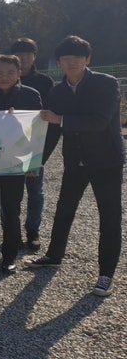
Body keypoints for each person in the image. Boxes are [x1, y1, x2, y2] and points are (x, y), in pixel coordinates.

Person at [27, 35, 125, 297]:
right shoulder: (57, 91)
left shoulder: (106, 84)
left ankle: (106, 273)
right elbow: (52, 132)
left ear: (88, 59)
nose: (71, 63)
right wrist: (37, 162)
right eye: (65, 59)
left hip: (106, 161)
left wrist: (60, 118)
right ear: (59, 62)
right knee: (64, 211)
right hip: (75, 162)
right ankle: (54, 255)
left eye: (77, 58)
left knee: (109, 217)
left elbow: (100, 121)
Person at [0, 55, 42, 274]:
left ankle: (9, 256)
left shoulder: (31, 96)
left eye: (10, 73)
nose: (5, 77)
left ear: (19, 73)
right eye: (0, 73)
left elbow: (38, 132)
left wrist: (33, 164)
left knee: (11, 211)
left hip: (15, 163)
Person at [10, 38, 55, 250]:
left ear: (35, 56)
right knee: (10, 194)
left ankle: (33, 231)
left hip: (35, 148)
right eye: (19, 53)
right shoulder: (2, 80)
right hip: (9, 150)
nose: (24, 57)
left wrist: (41, 156)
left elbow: (52, 122)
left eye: (28, 53)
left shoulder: (45, 83)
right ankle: (12, 233)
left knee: (35, 193)